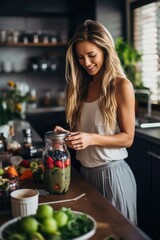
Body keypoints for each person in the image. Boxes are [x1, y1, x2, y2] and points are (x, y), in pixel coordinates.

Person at [54, 19, 137, 224]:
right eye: (80, 57)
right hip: (84, 176)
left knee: (117, 235)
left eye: (92, 55)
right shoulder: (78, 87)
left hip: (113, 176)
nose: (86, 63)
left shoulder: (121, 86)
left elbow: (127, 138)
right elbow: (84, 134)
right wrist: (66, 136)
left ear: (106, 51)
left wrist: (91, 138)